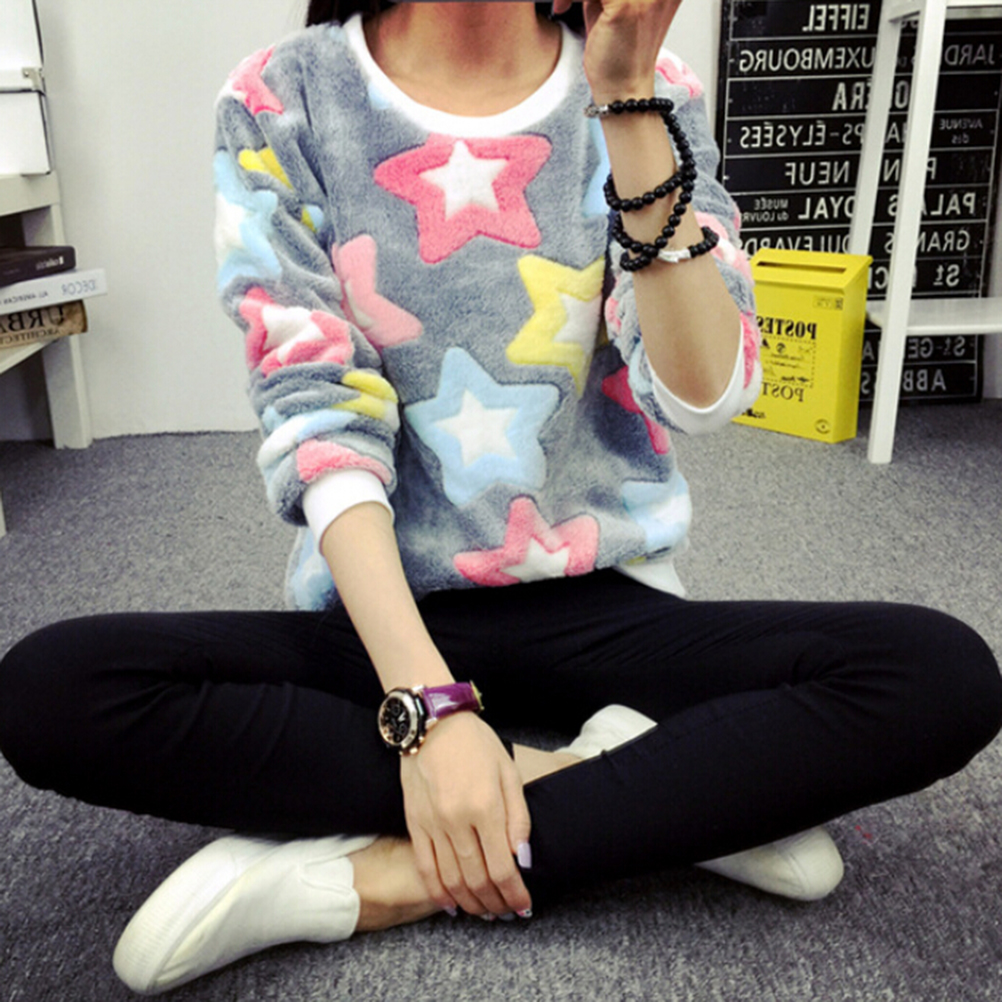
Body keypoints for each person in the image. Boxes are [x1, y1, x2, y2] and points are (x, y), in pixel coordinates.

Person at [1, 0, 1000, 995]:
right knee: (52, 691)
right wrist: (430, 713)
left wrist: (625, 99)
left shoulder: (651, 83)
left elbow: (704, 394)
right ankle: (661, 798)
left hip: (608, 603)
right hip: (389, 619)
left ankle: (372, 878)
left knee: (937, 673)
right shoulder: (282, 96)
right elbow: (319, 417)